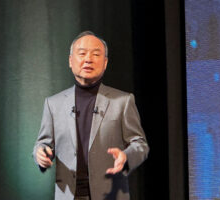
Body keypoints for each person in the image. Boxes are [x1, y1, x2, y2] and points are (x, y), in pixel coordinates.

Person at [33, 31, 149, 200]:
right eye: (82, 54)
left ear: (105, 63)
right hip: (68, 195)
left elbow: (140, 144)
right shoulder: (53, 104)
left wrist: (127, 156)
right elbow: (43, 143)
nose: (88, 59)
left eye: (96, 54)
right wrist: (40, 152)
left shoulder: (123, 101)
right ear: (70, 61)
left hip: (111, 194)